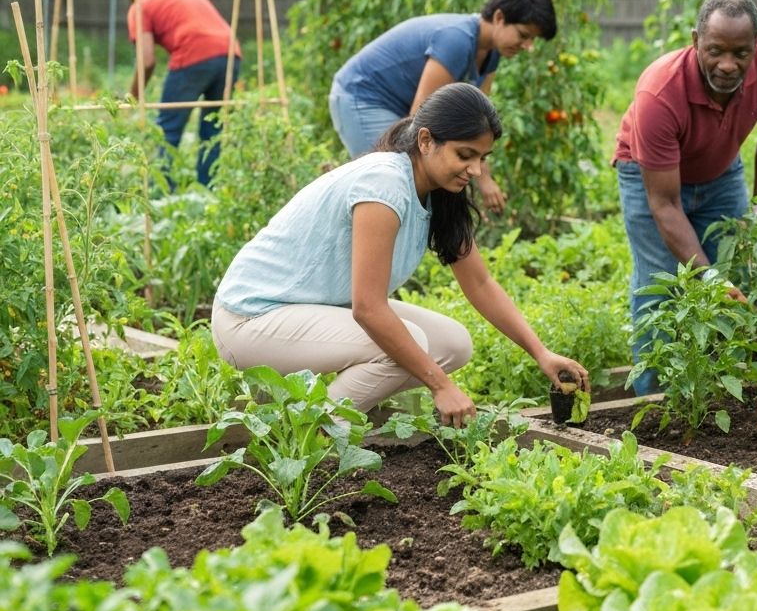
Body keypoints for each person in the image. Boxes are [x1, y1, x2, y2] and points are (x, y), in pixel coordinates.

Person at [213, 82, 588, 425]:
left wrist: (541, 353)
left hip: (309, 309)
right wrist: (441, 386)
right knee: (410, 346)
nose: (475, 170)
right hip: (251, 319)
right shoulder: (385, 185)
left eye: (482, 158)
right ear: (426, 141)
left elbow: (481, 282)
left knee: (453, 344)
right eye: (465, 155)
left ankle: (333, 407)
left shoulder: (439, 189)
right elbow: (369, 309)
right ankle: (313, 430)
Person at [613, 0, 757, 395]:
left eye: (741, 53)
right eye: (715, 51)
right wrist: (707, 275)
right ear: (695, 40)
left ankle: (718, 390)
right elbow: (664, 204)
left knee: (734, 279)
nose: (728, 64)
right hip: (647, 174)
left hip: (720, 171)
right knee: (661, 283)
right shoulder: (659, 94)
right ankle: (652, 399)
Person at [328, 0, 557, 215]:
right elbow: (418, 120)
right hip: (361, 96)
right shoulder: (457, 40)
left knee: (414, 184)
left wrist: (485, 181)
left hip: (398, 107)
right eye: (523, 35)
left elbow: (478, 124)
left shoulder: (492, 53)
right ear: (499, 17)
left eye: (532, 39)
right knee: (391, 182)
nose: (528, 46)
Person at [119, 0, 242, 187]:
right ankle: (208, 191)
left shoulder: (140, 6)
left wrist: (132, 97)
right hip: (231, 54)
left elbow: (147, 60)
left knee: (167, 130)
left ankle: (161, 192)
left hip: (194, 54)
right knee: (213, 130)